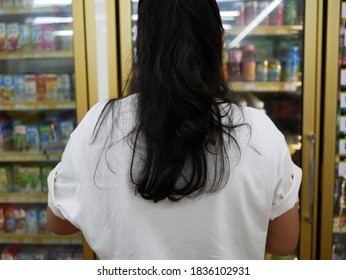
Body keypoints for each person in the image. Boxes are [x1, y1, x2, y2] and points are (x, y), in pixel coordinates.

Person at [47, 0, 301, 260]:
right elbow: (283, 242)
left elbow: (60, 223)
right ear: (220, 43)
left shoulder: (98, 126)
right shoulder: (260, 133)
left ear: (140, 46)